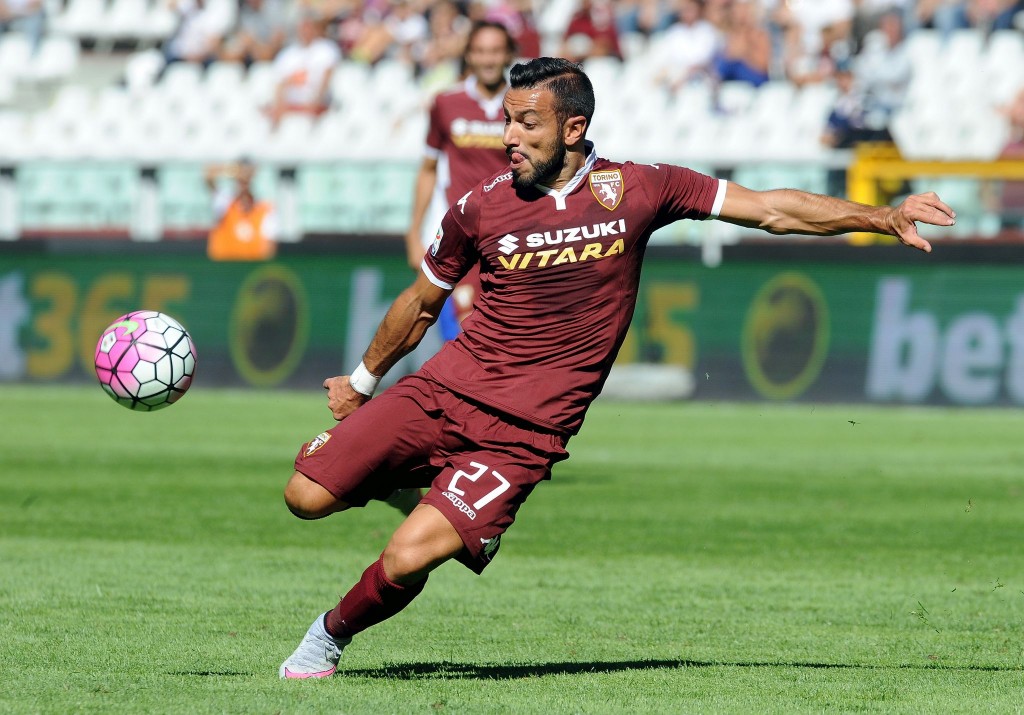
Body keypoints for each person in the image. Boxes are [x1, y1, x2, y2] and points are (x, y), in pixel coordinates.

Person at [278, 57, 956, 679]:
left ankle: (326, 640)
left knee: (405, 556)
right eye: (506, 120)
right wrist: (363, 381)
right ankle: (407, 476)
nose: (507, 136)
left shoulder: (641, 189)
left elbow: (772, 208)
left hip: (521, 434)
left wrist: (881, 214)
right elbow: (422, 300)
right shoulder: (480, 206)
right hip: (441, 391)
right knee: (304, 497)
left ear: (574, 127)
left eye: (525, 123)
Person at [404, 20, 515, 340]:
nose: (488, 59)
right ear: (468, 55)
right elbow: (428, 169)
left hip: (512, 234)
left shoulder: (523, 105)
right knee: (466, 334)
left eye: (495, 51)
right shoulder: (446, 104)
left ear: (507, 54)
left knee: (506, 335)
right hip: (463, 235)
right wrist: (413, 232)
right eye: (480, 51)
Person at [205, 160, 277, 261]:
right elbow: (209, 177)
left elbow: (269, 246)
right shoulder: (225, 202)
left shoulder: (264, 209)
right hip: (224, 265)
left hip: (250, 268)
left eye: (246, 181)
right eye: (241, 182)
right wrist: (233, 170)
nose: (243, 185)